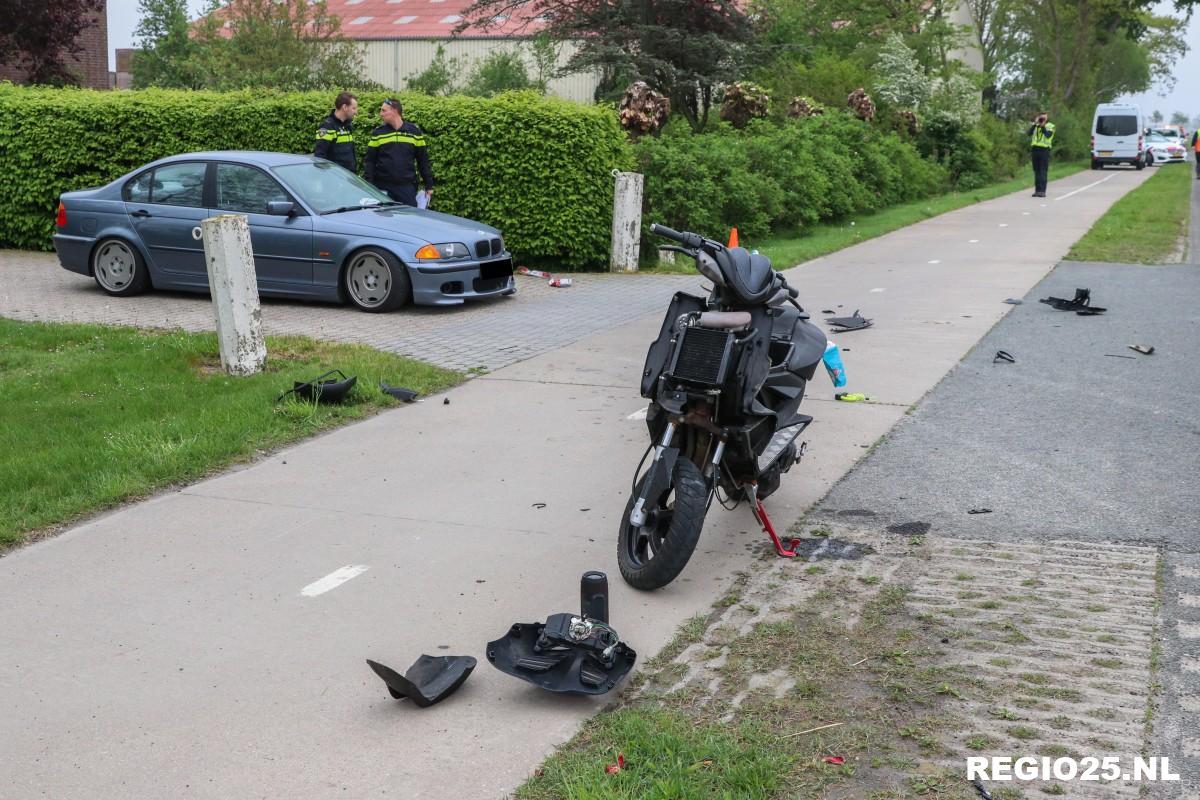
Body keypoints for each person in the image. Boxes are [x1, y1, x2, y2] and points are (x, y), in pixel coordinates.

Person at [363, 98, 434, 207]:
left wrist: (429, 185)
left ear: (395, 111)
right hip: (382, 188)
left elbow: (423, 160)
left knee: (409, 220)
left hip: (406, 188)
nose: (380, 114)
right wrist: (370, 187)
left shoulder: (414, 132)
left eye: (384, 110)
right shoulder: (378, 133)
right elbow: (370, 162)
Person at [314, 92, 359, 174]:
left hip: (348, 178)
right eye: (354, 108)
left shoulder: (347, 126)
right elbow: (320, 158)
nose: (356, 112)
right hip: (334, 180)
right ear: (345, 107)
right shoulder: (327, 127)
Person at [1028, 112, 1055, 198]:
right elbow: (1028, 133)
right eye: (1041, 117)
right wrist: (1035, 124)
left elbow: (1047, 135)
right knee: (1036, 171)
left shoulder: (1051, 126)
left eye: (1044, 118)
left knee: (1043, 171)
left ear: (1047, 118)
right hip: (1035, 150)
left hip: (1044, 150)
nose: (1042, 119)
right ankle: (1037, 191)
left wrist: (1043, 126)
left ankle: (1042, 191)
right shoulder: (1036, 126)